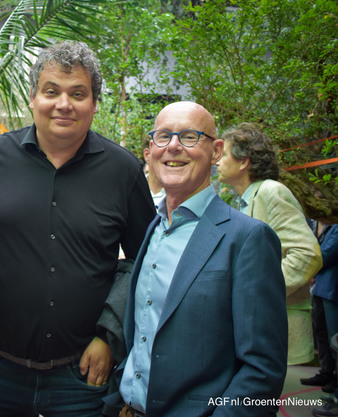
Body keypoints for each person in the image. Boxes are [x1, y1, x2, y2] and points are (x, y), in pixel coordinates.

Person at [0, 42, 154, 417]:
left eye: (78, 93)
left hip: (81, 378)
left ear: (94, 103)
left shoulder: (123, 172)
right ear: (33, 98)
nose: (64, 104)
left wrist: (109, 334)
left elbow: (146, 262)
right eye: (51, 91)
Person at [111, 101, 288, 416]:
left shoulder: (247, 239)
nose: (173, 146)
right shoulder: (152, 229)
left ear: (216, 151)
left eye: (189, 136)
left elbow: (263, 370)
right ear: (150, 151)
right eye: (163, 136)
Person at [216, 122, 323, 365]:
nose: (217, 162)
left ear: (243, 162)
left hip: (275, 323)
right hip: (258, 325)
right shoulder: (247, 198)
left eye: (224, 155)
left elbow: (307, 253)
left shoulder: (271, 191)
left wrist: (259, 291)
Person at [308, 220, 338, 417]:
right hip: (322, 287)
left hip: (332, 288)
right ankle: (330, 379)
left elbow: (324, 254)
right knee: (324, 336)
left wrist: (310, 264)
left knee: (335, 342)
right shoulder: (330, 226)